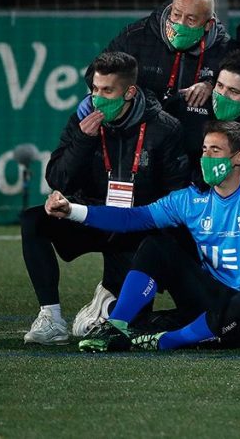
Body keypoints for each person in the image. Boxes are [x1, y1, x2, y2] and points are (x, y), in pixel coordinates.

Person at [43, 121, 240, 352]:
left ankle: (164, 341)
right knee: (156, 245)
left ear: (239, 157)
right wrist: (72, 211)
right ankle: (116, 327)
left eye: (215, 151)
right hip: (215, 298)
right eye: (205, 150)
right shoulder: (191, 199)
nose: (207, 158)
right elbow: (133, 218)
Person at [21, 52, 190, 344]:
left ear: (129, 92)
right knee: (33, 220)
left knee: (131, 322)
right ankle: (51, 317)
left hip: (138, 226)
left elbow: (176, 194)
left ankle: (108, 297)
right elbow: (57, 178)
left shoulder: (164, 128)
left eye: (107, 91)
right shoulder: (82, 119)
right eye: (95, 90)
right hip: (92, 217)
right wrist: (83, 141)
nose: (98, 98)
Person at [102, 0, 231, 166]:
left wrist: (212, 84)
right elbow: (97, 73)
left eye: (191, 20)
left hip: (192, 147)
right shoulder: (136, 36)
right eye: (176, 15)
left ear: (208, 25)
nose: (180, 24)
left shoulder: (223, 47)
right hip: (141, 137)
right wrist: (140, 99)